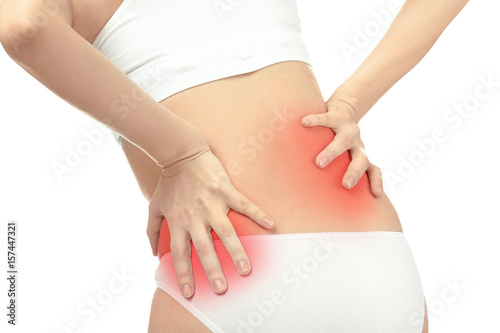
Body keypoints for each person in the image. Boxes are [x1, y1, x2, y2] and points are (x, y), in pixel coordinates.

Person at [0, 0, 469, 331]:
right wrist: (348, 103)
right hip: (375, 252)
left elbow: (24, 26)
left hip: (230, 268)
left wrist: (181, 154)